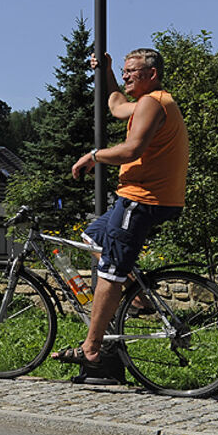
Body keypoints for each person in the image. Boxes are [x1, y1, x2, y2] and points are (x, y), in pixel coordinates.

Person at [55, 48, 188, 367]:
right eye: (125, 71)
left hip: (142, 199)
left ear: (151, 74)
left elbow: (133, 149)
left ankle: (91, 349)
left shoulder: (154, 102)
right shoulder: (148, 102)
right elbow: (115, 105)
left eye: (132, 71)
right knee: (92, 237)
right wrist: (107, 71)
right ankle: (137, 296)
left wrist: (94, 155)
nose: (127, 76)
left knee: (110, 272)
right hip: (144, 198)